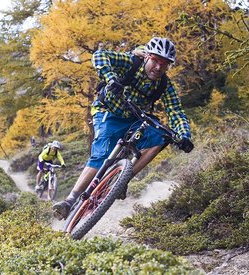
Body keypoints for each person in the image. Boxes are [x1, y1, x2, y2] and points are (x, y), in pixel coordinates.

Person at [53, 37, 194, 220]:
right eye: (156, 61)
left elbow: (175, 111)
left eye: (165, 64)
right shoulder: (131, 62)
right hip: (108, 111)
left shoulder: (165, 85)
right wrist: (111, 79)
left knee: (161, 137)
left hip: (135, 117)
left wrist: (184, 135)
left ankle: (122, 180)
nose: (159, 68)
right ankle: (70, 201)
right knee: (103, 154)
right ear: (147, 57)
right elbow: (100, 56)